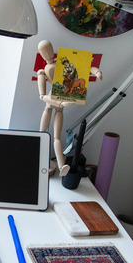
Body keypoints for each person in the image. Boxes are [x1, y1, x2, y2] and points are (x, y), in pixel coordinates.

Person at [37, 40, 102, 176]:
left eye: (49, 50)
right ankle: (37, 158)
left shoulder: (63, 63)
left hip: (62, 99)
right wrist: (58, 103)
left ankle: (61, 166)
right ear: (41, 55)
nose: (47, 54)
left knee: (56, 137)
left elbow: (85, 67)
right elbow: (42, 95)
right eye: (44, 52)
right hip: (51, 104)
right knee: (42, 133)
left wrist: (96, 72)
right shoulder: (43, 71)